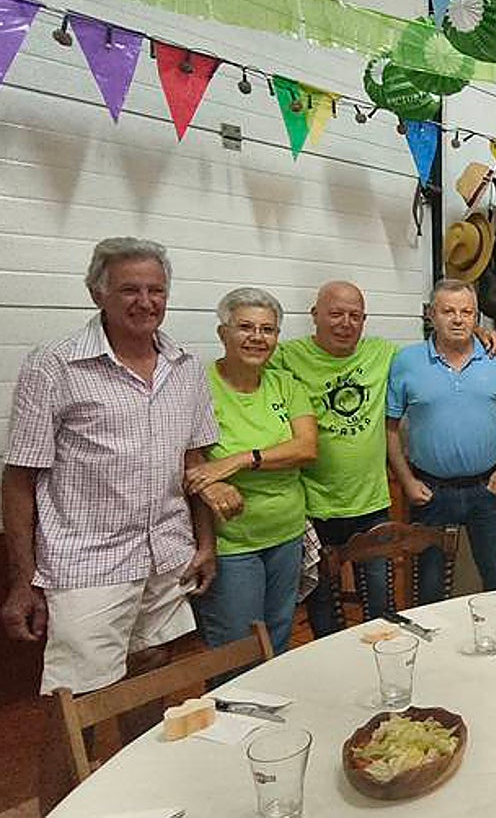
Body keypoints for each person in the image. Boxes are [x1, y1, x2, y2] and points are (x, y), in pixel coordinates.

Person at [2, 238, 223, 808]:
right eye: (130, 289)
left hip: (166, 556)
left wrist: (205, 543)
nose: (145, 302)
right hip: (88, 565)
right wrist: (22, 580)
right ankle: (57, 807)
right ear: (97, 292)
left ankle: (141, 798)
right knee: (74, 706)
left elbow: (195, 462)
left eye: (156, 290)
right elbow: (20, 478)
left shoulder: (184, 366)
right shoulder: (54, 364)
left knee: (150, 684)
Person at [185, 288, 317, 656]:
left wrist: (240, 459)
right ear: (222, 333)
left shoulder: (285, 384)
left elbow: (306, 448)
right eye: (245, 327)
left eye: (267, 330)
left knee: (278, 638)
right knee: (236, 649)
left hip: (287, 533)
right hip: (232, 542)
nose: (257, 337)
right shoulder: (198, 387)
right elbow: (190, 463)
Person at [386, 278, 496, 602]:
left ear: (477, 317)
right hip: (430, 492)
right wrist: (406, 481)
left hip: (487, 491)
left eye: (467, 312)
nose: (458, 319)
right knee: (429, 590)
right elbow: (389, 427)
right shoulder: (406, 361)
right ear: (431, 315)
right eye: (448, 311)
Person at [271, 281, 396, 637]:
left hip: (371, 504)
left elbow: (437, 350)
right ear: (315, 315)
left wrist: (481, 331)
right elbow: (242, 361)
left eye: (355, 316)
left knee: (381, 604)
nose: (345, 323)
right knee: (323, 606)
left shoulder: (381, 353)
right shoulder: (286, 356)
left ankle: (380, 661)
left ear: (364, 320)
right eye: (336, 314)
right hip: (315, 506)